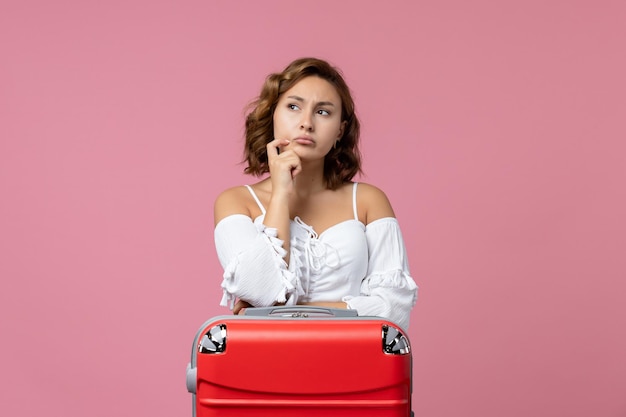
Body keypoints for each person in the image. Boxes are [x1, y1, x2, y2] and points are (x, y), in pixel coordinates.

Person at [213, 57, 418, 329]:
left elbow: (394, 310)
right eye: (293, 107)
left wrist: (298, 310)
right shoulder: (236, 202)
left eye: (323, 112)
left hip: (356, 362)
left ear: (340, 131)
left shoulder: (369, 202)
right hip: (267, 363)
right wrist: (281, 193)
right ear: (272, 114)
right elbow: (262, 294)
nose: (306, 123)